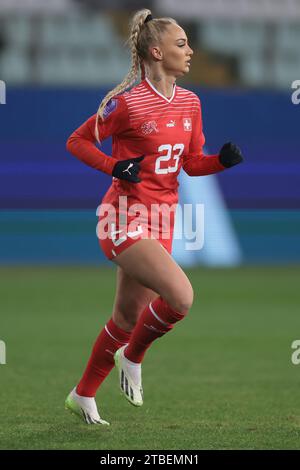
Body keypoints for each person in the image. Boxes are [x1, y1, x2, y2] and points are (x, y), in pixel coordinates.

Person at [65, 8, 243, 425]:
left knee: (126, 318)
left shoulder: (190, 101)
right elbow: (77, 141)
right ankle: (133, 356)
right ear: (157, 51)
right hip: (123, 216)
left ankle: (83, 394)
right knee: (180, 297)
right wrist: (114, 166)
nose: (191, 51)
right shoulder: (125, 105)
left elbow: (192, 163)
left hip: (163, 220)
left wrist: (221, 161)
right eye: (182, 44)